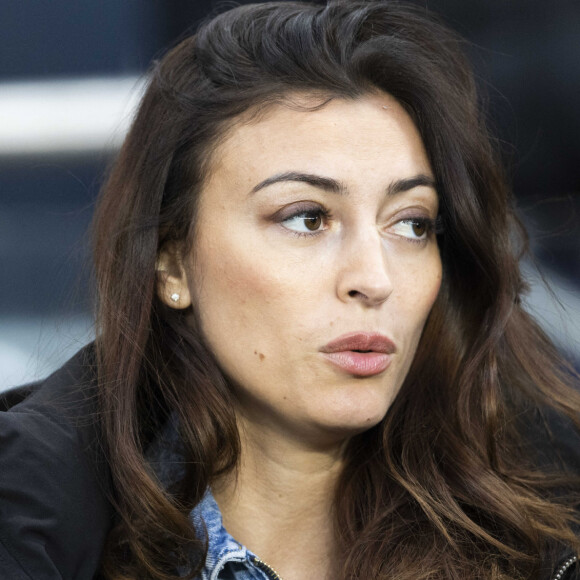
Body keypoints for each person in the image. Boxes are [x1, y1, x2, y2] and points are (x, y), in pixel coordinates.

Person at [1, 1, 579, 579]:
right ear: (171, 262)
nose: (374, 280)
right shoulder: (34, 526)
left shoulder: (548, 528)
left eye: (411, 223)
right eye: (307, 218)